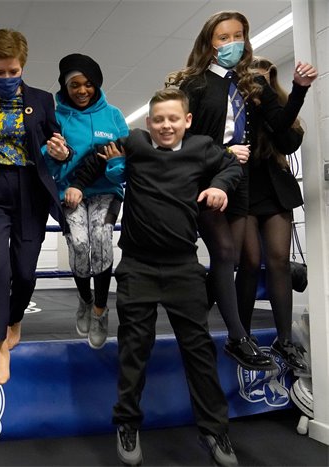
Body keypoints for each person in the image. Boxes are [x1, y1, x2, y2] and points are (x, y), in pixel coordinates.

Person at [166, 10, 316, 372]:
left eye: (238, 36)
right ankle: (236, 335)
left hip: (243, 182)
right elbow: (181, 139)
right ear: (209, 43)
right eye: (223, 37)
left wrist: (298, 89)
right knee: (231, 257)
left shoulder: (252, 84)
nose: (232, 44)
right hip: (209, 178)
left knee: (246, 257)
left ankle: (248, 338)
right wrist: (221, 152)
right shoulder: (194, 84)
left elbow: (281, 127)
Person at [103, 88, 241, 466]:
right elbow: (94, 154)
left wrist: (218, 185)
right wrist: (74, 179)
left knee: (198, 350)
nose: (166, 125)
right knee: (134, 348)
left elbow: (232, 166)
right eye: (159, 119)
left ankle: (215, 431)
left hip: (183, 266)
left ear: (187, 121)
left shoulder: (202, 148)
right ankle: (127, 423)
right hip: (138, 265)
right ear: (149, 123)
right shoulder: (134, 143)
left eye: (173, 119)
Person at [0, 29, 68, 386]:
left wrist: (60, 152)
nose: (6, 78)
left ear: (23, 66)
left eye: (13, 71)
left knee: (24, 272)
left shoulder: (42, 99)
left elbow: (57, 142)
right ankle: (0, 350)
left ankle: (15, 316)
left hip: (29, 190)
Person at [45, 53, 128, 349]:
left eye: (88, 84)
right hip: (70, 192)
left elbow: (122, 159)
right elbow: (48, 165)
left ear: (97, 84)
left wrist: (116, 167)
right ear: (65, 87)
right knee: (80, 243)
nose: (82, 91)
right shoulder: (56, 117)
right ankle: (84, 299)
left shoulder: (114, 115)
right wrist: (56, 159)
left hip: (106, 191)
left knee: (101, 238)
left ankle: (100, 311)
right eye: (75, 85)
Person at [235, 56, 311, 377]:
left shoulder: (278, 105)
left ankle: (284, 340)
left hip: (274, 190)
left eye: (263, 76)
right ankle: (242, 336)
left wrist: (269, 99)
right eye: (252, 75)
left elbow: (288, 141)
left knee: (279, 259)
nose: (258, 80)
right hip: (242, 189)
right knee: (251, 262)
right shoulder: (234, 107)